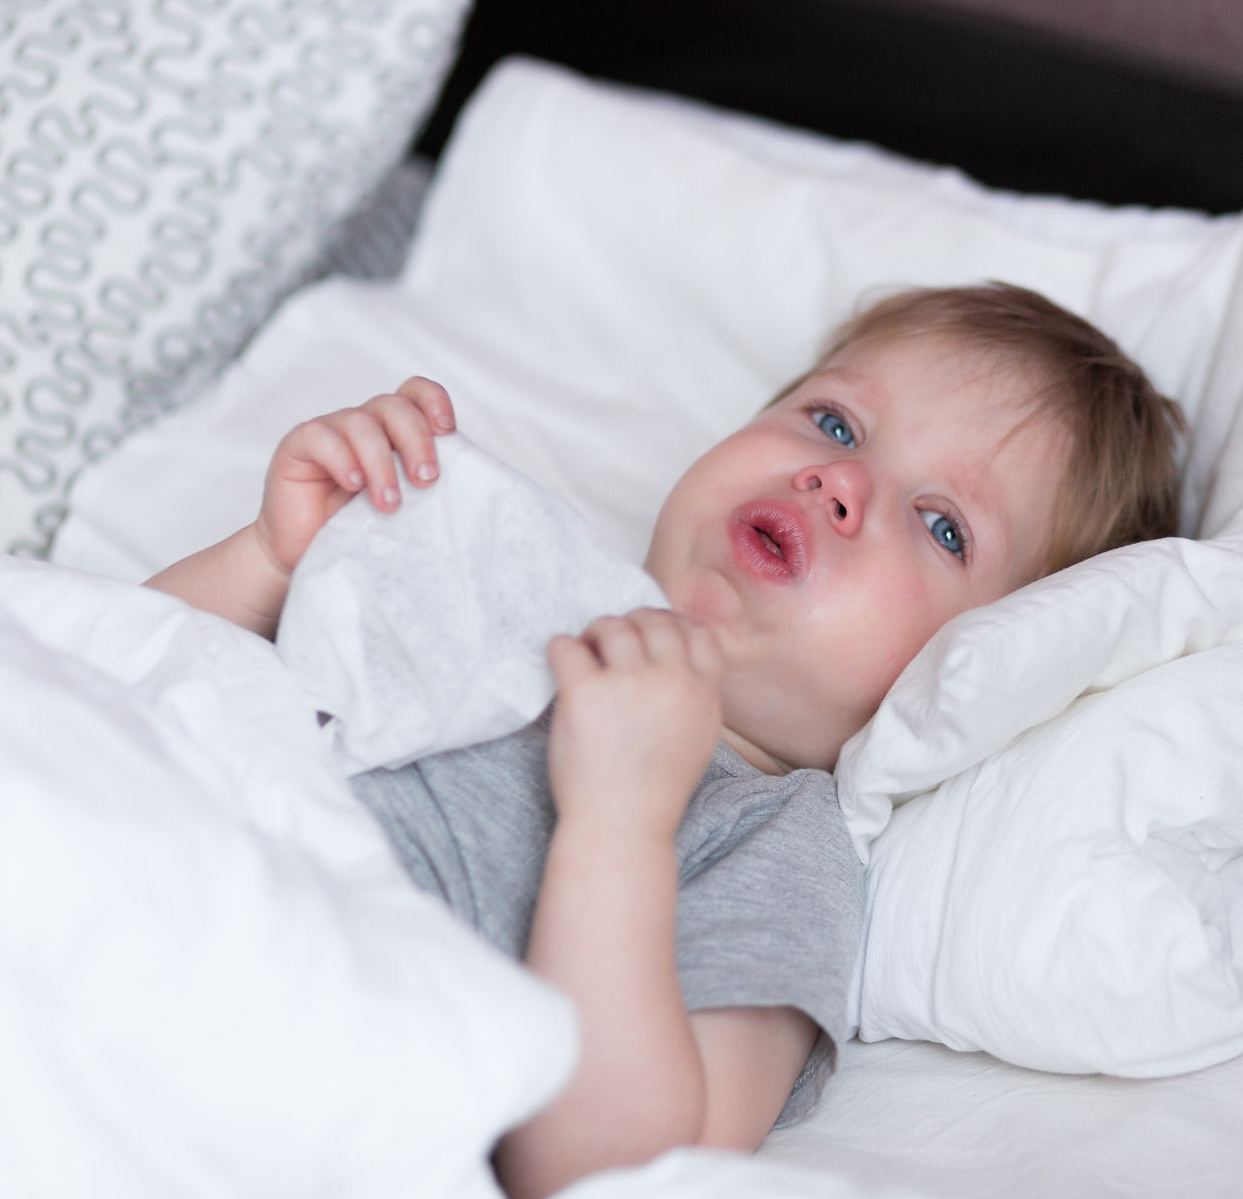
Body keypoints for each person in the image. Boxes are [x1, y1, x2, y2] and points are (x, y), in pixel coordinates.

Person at [147, 282, 1183, 1198]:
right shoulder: (501, 570)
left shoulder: (777, 842)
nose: (837, 482)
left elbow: (617, 1169)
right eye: (833, 420)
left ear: (968, 667)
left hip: (253, 1054)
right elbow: (115, 678)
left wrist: (619, 825)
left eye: (942, 524)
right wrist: (270, 561)